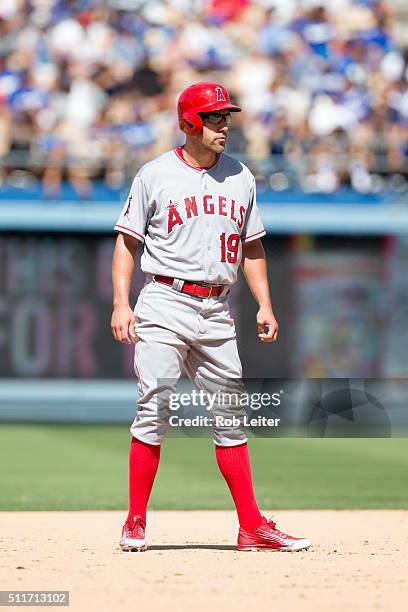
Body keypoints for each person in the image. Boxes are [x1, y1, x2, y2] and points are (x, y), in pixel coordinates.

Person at [111, 81, 312, 552]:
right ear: (189, 123)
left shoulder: (241, 176)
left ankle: (251, 527)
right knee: (154, 406)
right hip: (164, 299)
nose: (225, 125)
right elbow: (127, 241)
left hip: (217, 307)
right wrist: (122, 302)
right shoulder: (154, 174)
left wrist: (264, 303)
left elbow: (252, 245)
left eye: (227, 116)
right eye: (215, 117)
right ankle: (135, 522)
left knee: (231, 416)